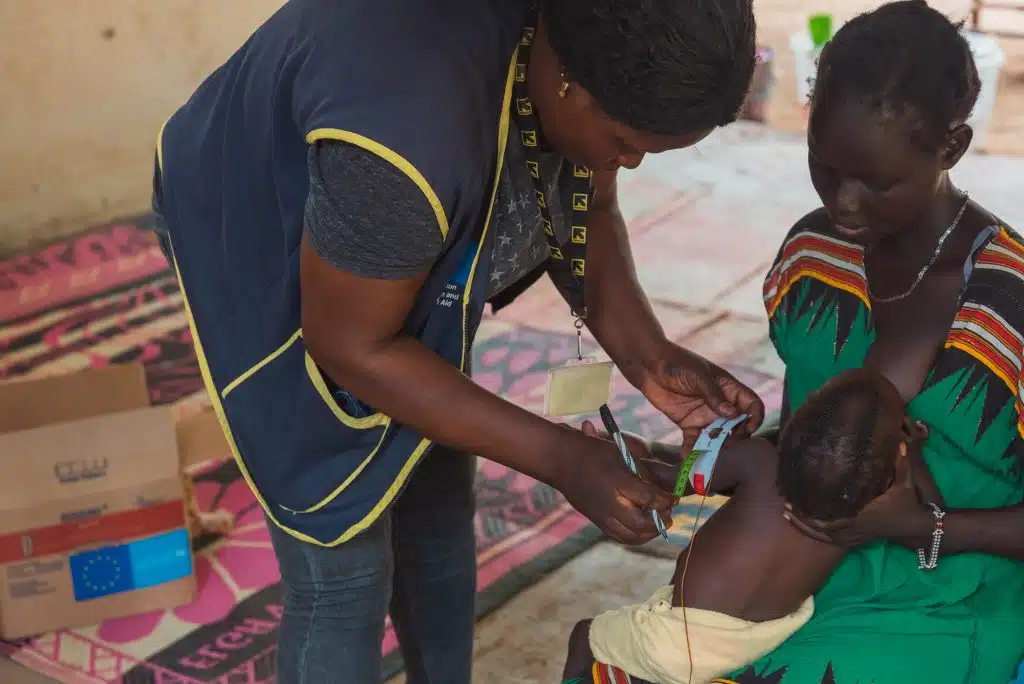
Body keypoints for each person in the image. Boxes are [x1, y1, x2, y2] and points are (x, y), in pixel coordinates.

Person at [151, 0, 762, 681]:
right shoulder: (408, 134)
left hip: (387, 246)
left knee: (437, 511)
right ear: (567, 78)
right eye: (626, 143)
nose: (632, 163)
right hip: (267, 233)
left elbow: (586, 202)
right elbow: (353, 348)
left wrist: (652, 356)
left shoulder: (585, 51)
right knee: (343, 575)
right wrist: (562, 458)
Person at [730, 2, 1024, 682]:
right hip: (799, 561)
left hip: (954, 589)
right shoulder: (813, 257)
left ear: (951, 148)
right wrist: (714, 460)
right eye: (824, 166)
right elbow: (825, 431)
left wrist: (919, 525)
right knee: (628, 653)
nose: (843, 203)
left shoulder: (1007, 305)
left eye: (877, 181)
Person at [560, 368, 928, 684]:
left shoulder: (758, 459)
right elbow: (927, 511)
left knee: (585, 634)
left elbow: (679, 479)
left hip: (673, 643)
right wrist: (911, 461)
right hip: (754, 646)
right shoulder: (870, 510)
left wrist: (626, 454)